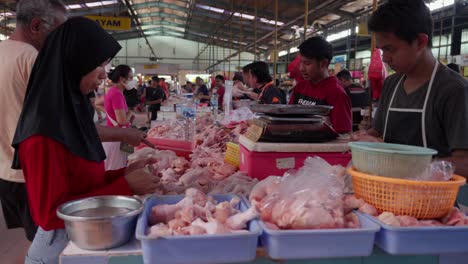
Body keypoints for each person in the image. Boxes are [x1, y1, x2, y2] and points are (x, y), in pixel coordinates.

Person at [11, 17, 158, 264]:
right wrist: (125, 187)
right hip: (60, 250)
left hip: (85, 240)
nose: (104, 74)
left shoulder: (68, 117)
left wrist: (124, 173)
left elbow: (82, 185)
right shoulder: (42, 133)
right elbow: (50, 214)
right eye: (97, 64)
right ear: (74, 62)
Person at [359, 0, 468, 177]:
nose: (385, 58)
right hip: (385, 191)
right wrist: (362, 139)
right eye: (381, 51)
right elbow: (377, 133)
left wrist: (408, 165)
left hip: (432, 200)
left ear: (420, 41)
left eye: (390, 49)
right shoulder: (391, 84)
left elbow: (464, 162)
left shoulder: (453, 89)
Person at [0, 1, 67, 262]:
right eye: (59, 31)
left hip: (6, 172)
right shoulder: (33, 60)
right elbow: (61, 122)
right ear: (37, 26)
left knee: (34, 240)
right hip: (34, 174)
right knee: (47, 247)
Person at [289, 36, 352, 133]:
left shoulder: (336, 93)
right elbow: (288, 117)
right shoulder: (300, 86)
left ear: (323, 63)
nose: (301, 68)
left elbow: (343, 133)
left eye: (307, 63)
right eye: (301, 62)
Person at [102, 65, 136, 171]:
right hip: (116, 140)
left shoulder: (114, 91)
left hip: (116, 137)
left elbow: (99, 103)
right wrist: (130, 112)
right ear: (122, 79)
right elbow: (121, 121)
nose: (132, 80)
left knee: (117, 167)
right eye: (130, 78)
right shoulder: (116, 94)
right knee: (116, 170)